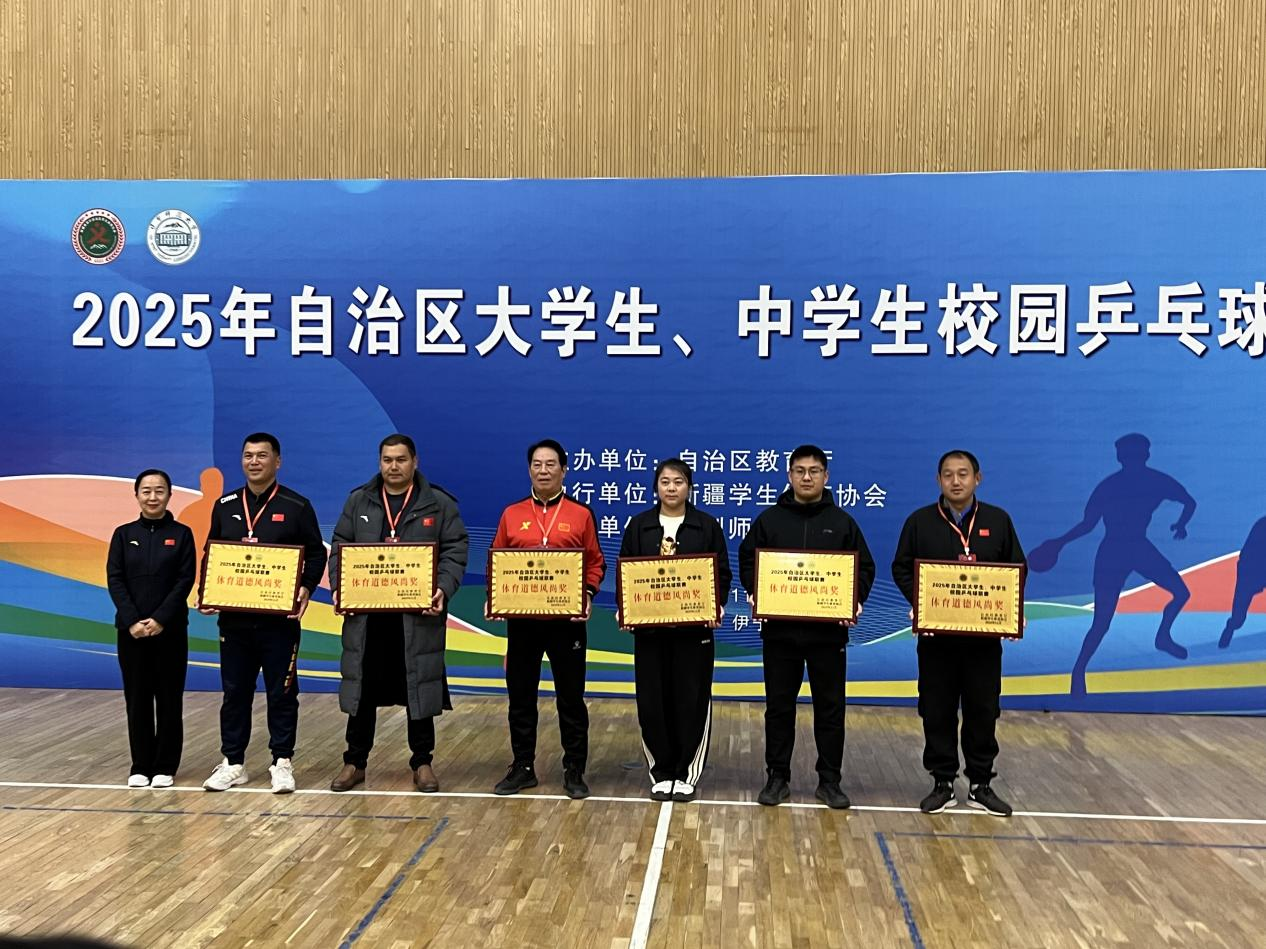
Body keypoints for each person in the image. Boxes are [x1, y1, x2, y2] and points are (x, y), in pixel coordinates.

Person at [327, 434, 469, 793]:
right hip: (368, 619)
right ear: (380, 462)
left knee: (418, 687)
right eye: (387, 460)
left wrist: (442, 588)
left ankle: (422, 762)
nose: (394, 466)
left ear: (415, 462)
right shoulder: (358, 500)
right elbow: (340, 545)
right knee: (362, 688)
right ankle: (354, 762)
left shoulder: (437, 503)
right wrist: (341, 585)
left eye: (401, 459)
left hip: (416, 617)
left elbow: (455, 549)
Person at [738, 445, 875, 810]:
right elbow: (748, 561)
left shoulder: (842, 522)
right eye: (799, 471)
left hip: (827, 635)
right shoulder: (770, 520)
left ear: (826, 476)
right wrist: (756, 591)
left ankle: (829, 781)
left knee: (830, 708)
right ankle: (777, 777)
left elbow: (864, 568)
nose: (807, 477)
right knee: (779, 708)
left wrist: (853, 600)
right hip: (780, 634)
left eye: (814, 471)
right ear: (789, 475)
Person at [892, 449, 1026, 817]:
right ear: (938, 480)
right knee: (937, 708)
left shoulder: (998, 520)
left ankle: (981, 784)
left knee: (983, 708)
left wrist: (1011, 611)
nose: (956, 481)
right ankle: (943, 782)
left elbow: (1016, 568)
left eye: (963, 474)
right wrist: (920, 601)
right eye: (948, 474)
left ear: (977, 478)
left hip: (983, 641)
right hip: (937, 640)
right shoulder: (920, 522)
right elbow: (901, 567)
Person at [200, 433, 328, 794]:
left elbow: (316, 554)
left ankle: (282, 761)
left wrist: (305, 587)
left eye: (262, 455)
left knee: (282, 692)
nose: (254, 462)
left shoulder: (296, 505)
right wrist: (208, 592)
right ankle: (233, 763)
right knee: (234, 692)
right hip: (235, 621)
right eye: (248, 456)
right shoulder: (225, 505)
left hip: (279, 622)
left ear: (277, 461)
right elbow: (212, 553)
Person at [1028, 433, 1194, 696]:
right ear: (1122, 457)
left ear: (1142, 455)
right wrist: (1060, 542)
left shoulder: (1150, 481)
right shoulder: (1114, 486)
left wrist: (1182, 524)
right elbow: (1088, 525)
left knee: (1181, 593)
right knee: (1102, 622)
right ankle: (1079, 670)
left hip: (1137, 547)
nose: (1131, 459)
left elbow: (1189, 502)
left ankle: (1162, 637)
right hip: (1114, 552)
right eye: (1128, 454)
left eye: (1133, 454)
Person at [490, 438, 606, 799]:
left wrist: (587, 593)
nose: (543, 470)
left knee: (570, 698)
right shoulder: (512, 514)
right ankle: (522, 766)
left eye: (551, 464)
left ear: (564, 470)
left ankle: (574, 769)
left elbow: (595, 563)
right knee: (521, 696)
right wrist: (496, 596)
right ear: (529, 470)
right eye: (537, 464)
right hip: (523, 622)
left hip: (566, 623)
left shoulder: (581, 514)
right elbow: (497, 561)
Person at [619, 458, 732, 803]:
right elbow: (626, 572)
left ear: (689, 487)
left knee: (691, 699)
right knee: (651, 700)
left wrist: (715, 605)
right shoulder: (639, 526)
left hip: (693, 633)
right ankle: (661, 770)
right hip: (650, 634)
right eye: (665, 482)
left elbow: (721, 573)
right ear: (656, 487)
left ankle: (685, 772)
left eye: (678, 482)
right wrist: (627, 607)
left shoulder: (706, 526)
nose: (671, 488)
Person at [105, 468, 196, 789]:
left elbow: (185, 580)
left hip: (170, 631)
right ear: (137, 495)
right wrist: (132, 620)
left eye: (159, 491)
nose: (153, 497)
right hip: (131, 633)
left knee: (169, 700)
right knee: (137, 699)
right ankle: (140, 765)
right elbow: (115, 579)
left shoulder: (182, 534)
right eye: (146, 491)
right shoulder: (123, 534)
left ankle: (165, 766)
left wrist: (160, 619)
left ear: (169, 495)